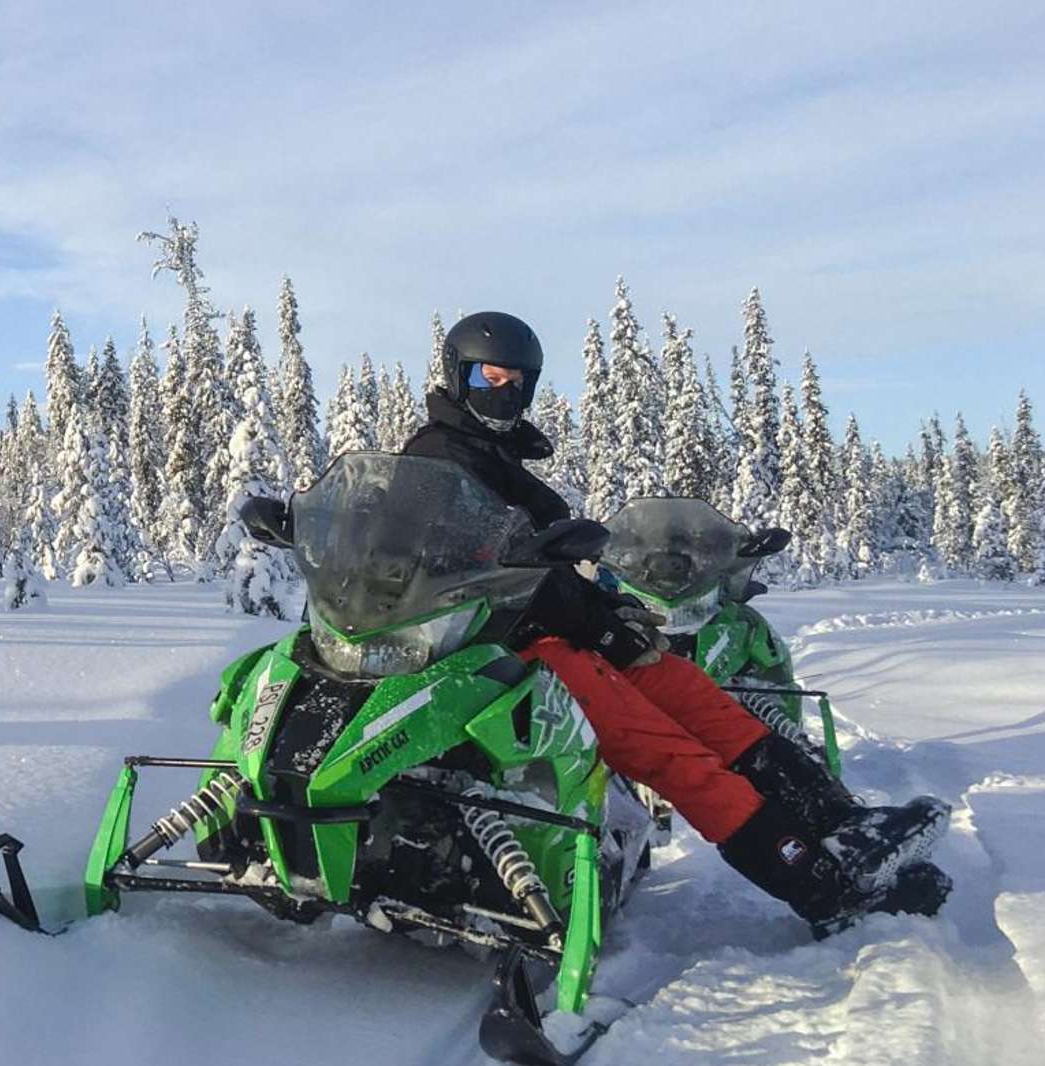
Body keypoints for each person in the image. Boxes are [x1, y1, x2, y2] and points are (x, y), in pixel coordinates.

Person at [401, 311, 949, 935]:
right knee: (675, 754)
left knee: (695, 693)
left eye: (515, 383)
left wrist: (612, 615)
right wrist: (601, 628)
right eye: (487, 377)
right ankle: (820, 888)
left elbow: (542, 570)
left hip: (560, 633)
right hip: (508, 652)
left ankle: (838, 823)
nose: (502, 393)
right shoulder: (437, 463)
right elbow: (481, 575)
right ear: (456, 375)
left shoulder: (493, 457)